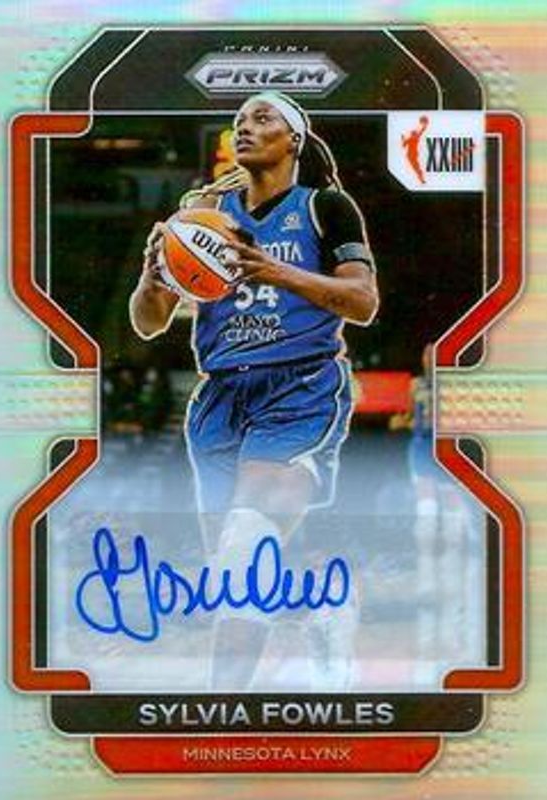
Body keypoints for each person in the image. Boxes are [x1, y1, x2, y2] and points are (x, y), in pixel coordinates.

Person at [129, 91, 379, 689]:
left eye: (262, 118)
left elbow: (363, 302)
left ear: (293, 138)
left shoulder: (325, 207)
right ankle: (316, 607)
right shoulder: (202, 215)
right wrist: (152, 274)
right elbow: (148, 322)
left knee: (245, 546)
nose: (245, 126)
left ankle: (220, 707)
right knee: (233, 573)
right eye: (239, 120)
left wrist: (275, 271)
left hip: (300, 385)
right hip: (220, 398)